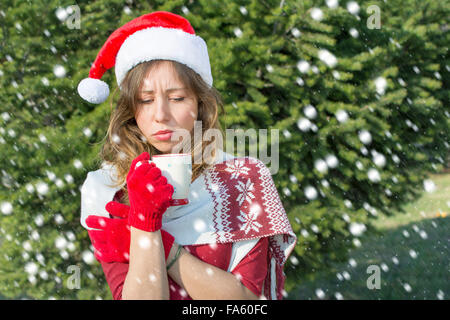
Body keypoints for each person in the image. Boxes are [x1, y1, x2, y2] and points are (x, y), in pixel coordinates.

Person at [78, 11, 297, 300]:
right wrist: (145, 224)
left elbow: (246, 301)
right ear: (130, 111)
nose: (160, 115)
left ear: (200, 104)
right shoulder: (105, 189)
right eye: (145, 100)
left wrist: (167, 249)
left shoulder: (242, 178)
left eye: (177, 98)